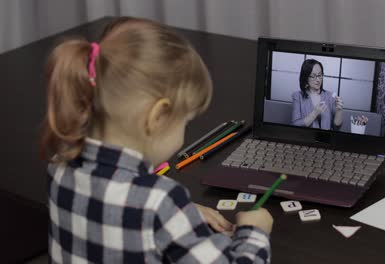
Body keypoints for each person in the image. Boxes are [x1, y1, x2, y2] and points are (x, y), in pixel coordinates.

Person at [41, 17, 272, 263]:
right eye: (186, 122)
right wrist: (254, 232)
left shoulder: (59, 164)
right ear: (158, 116)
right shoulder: (159, 201)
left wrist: (181, 214)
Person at [291, 59, 343, 130]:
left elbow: (336, 127)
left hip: (326, 139)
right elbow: (295, 124)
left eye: (320, 75)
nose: (318, 79)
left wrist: (339, 111)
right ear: (306, 77)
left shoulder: (330, 96)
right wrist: (315, 113)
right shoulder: (297, 96)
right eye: (313, 76)